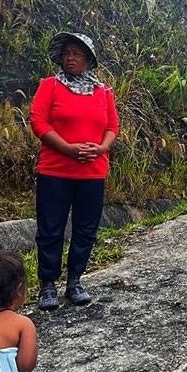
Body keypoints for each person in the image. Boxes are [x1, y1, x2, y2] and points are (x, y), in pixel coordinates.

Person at [29, 32, 119, 311]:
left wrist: (101, 149)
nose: (70, 57)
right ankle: (47, 285)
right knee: (50, 227)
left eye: (76, 54)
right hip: (55, 170)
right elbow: (38, 121)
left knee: (86, 228)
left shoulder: (103, 92)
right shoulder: (50, 86)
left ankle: (75, 281)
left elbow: (112, 128)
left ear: (88, 60)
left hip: (92, 172)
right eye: (67, 53)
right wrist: (68, 148)